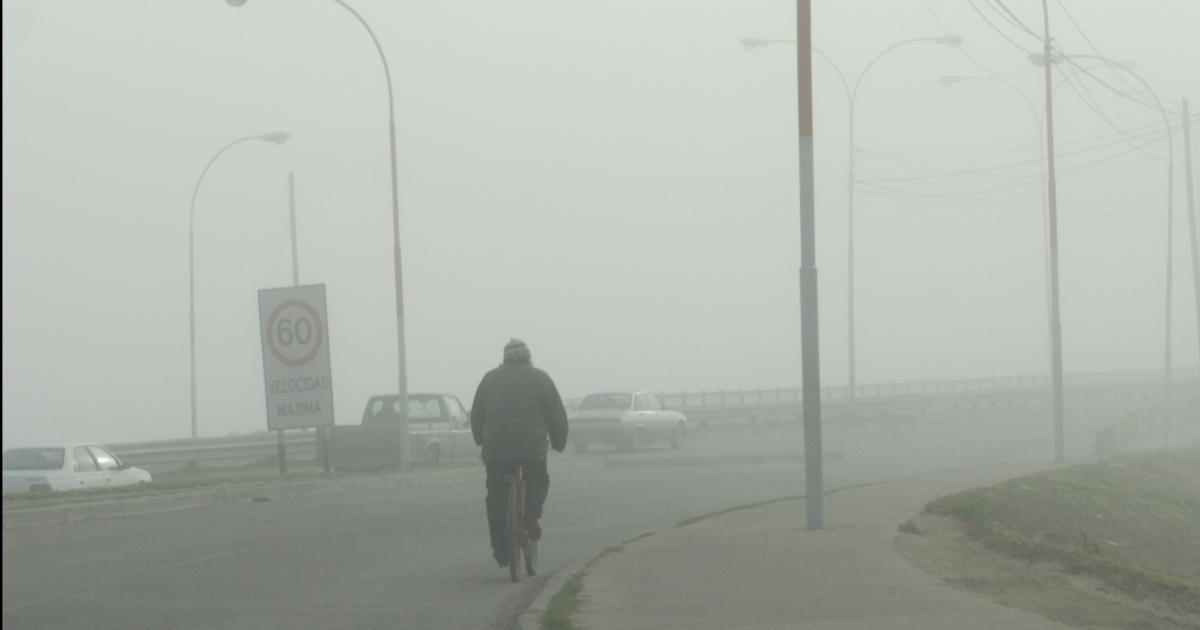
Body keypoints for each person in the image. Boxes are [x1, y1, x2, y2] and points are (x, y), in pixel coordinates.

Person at [471, 338, 569, 567]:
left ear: (504, 359)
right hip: (531, 446)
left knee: (495, 496)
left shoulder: (489, 379)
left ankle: (501, 551)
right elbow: (556, 415)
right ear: (528, 358)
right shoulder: (541, 378)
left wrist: (479, 439)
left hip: (496, 447)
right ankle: (531, 517)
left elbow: (476, 415)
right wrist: (559, 442)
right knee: (538, 479)